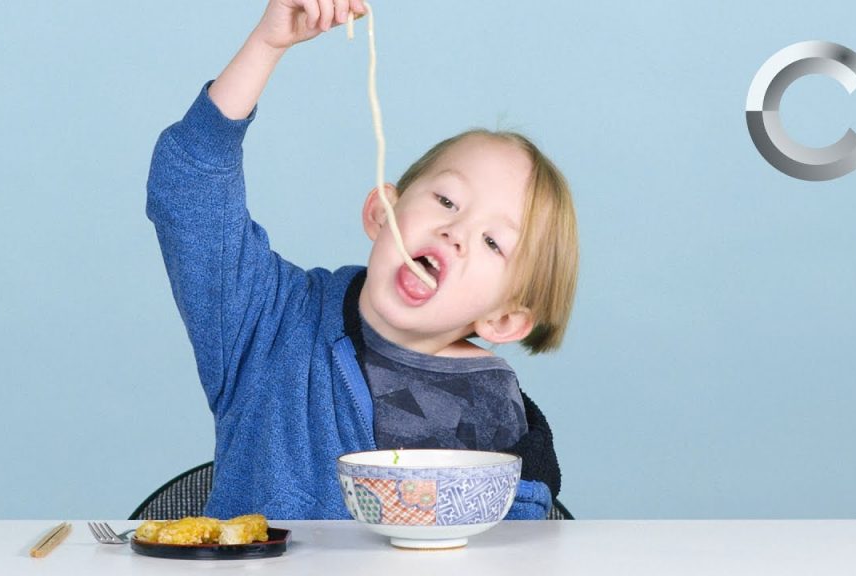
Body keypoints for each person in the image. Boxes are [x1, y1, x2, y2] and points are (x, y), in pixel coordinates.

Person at [147, 0, 578, 520]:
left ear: (503, 320)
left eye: (493, 243)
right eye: (446, 200)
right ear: (381, 212)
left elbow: (507, 549)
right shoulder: (266, 323)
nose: (456, 233)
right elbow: (187, 190)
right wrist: (267, 43)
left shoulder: (491, 408)